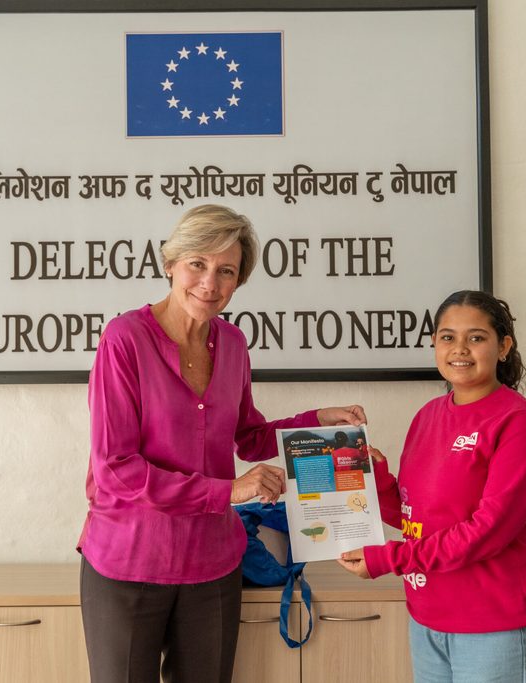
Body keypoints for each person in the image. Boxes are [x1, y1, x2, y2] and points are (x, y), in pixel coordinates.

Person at [78, 204, 366, 683]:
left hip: (211, 563)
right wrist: (226, 491)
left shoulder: (233, 343)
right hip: (130, 561)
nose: (209, 283)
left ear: (238, 281)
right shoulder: (123, 339)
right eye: (198, 263)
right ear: (170, 263)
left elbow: (248, 436)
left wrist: (316, 421)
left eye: (226, 271)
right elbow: (116, 467)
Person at [338, 290, 526, 683]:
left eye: (476, 337)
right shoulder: (428, 416)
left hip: (496, 627)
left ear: (503, 346)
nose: (460, 349)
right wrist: (377, 481)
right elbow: (414, 515)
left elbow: (488, 533)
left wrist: (389, 559)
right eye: (447, 337)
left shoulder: (519, 423)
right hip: (428, 619)